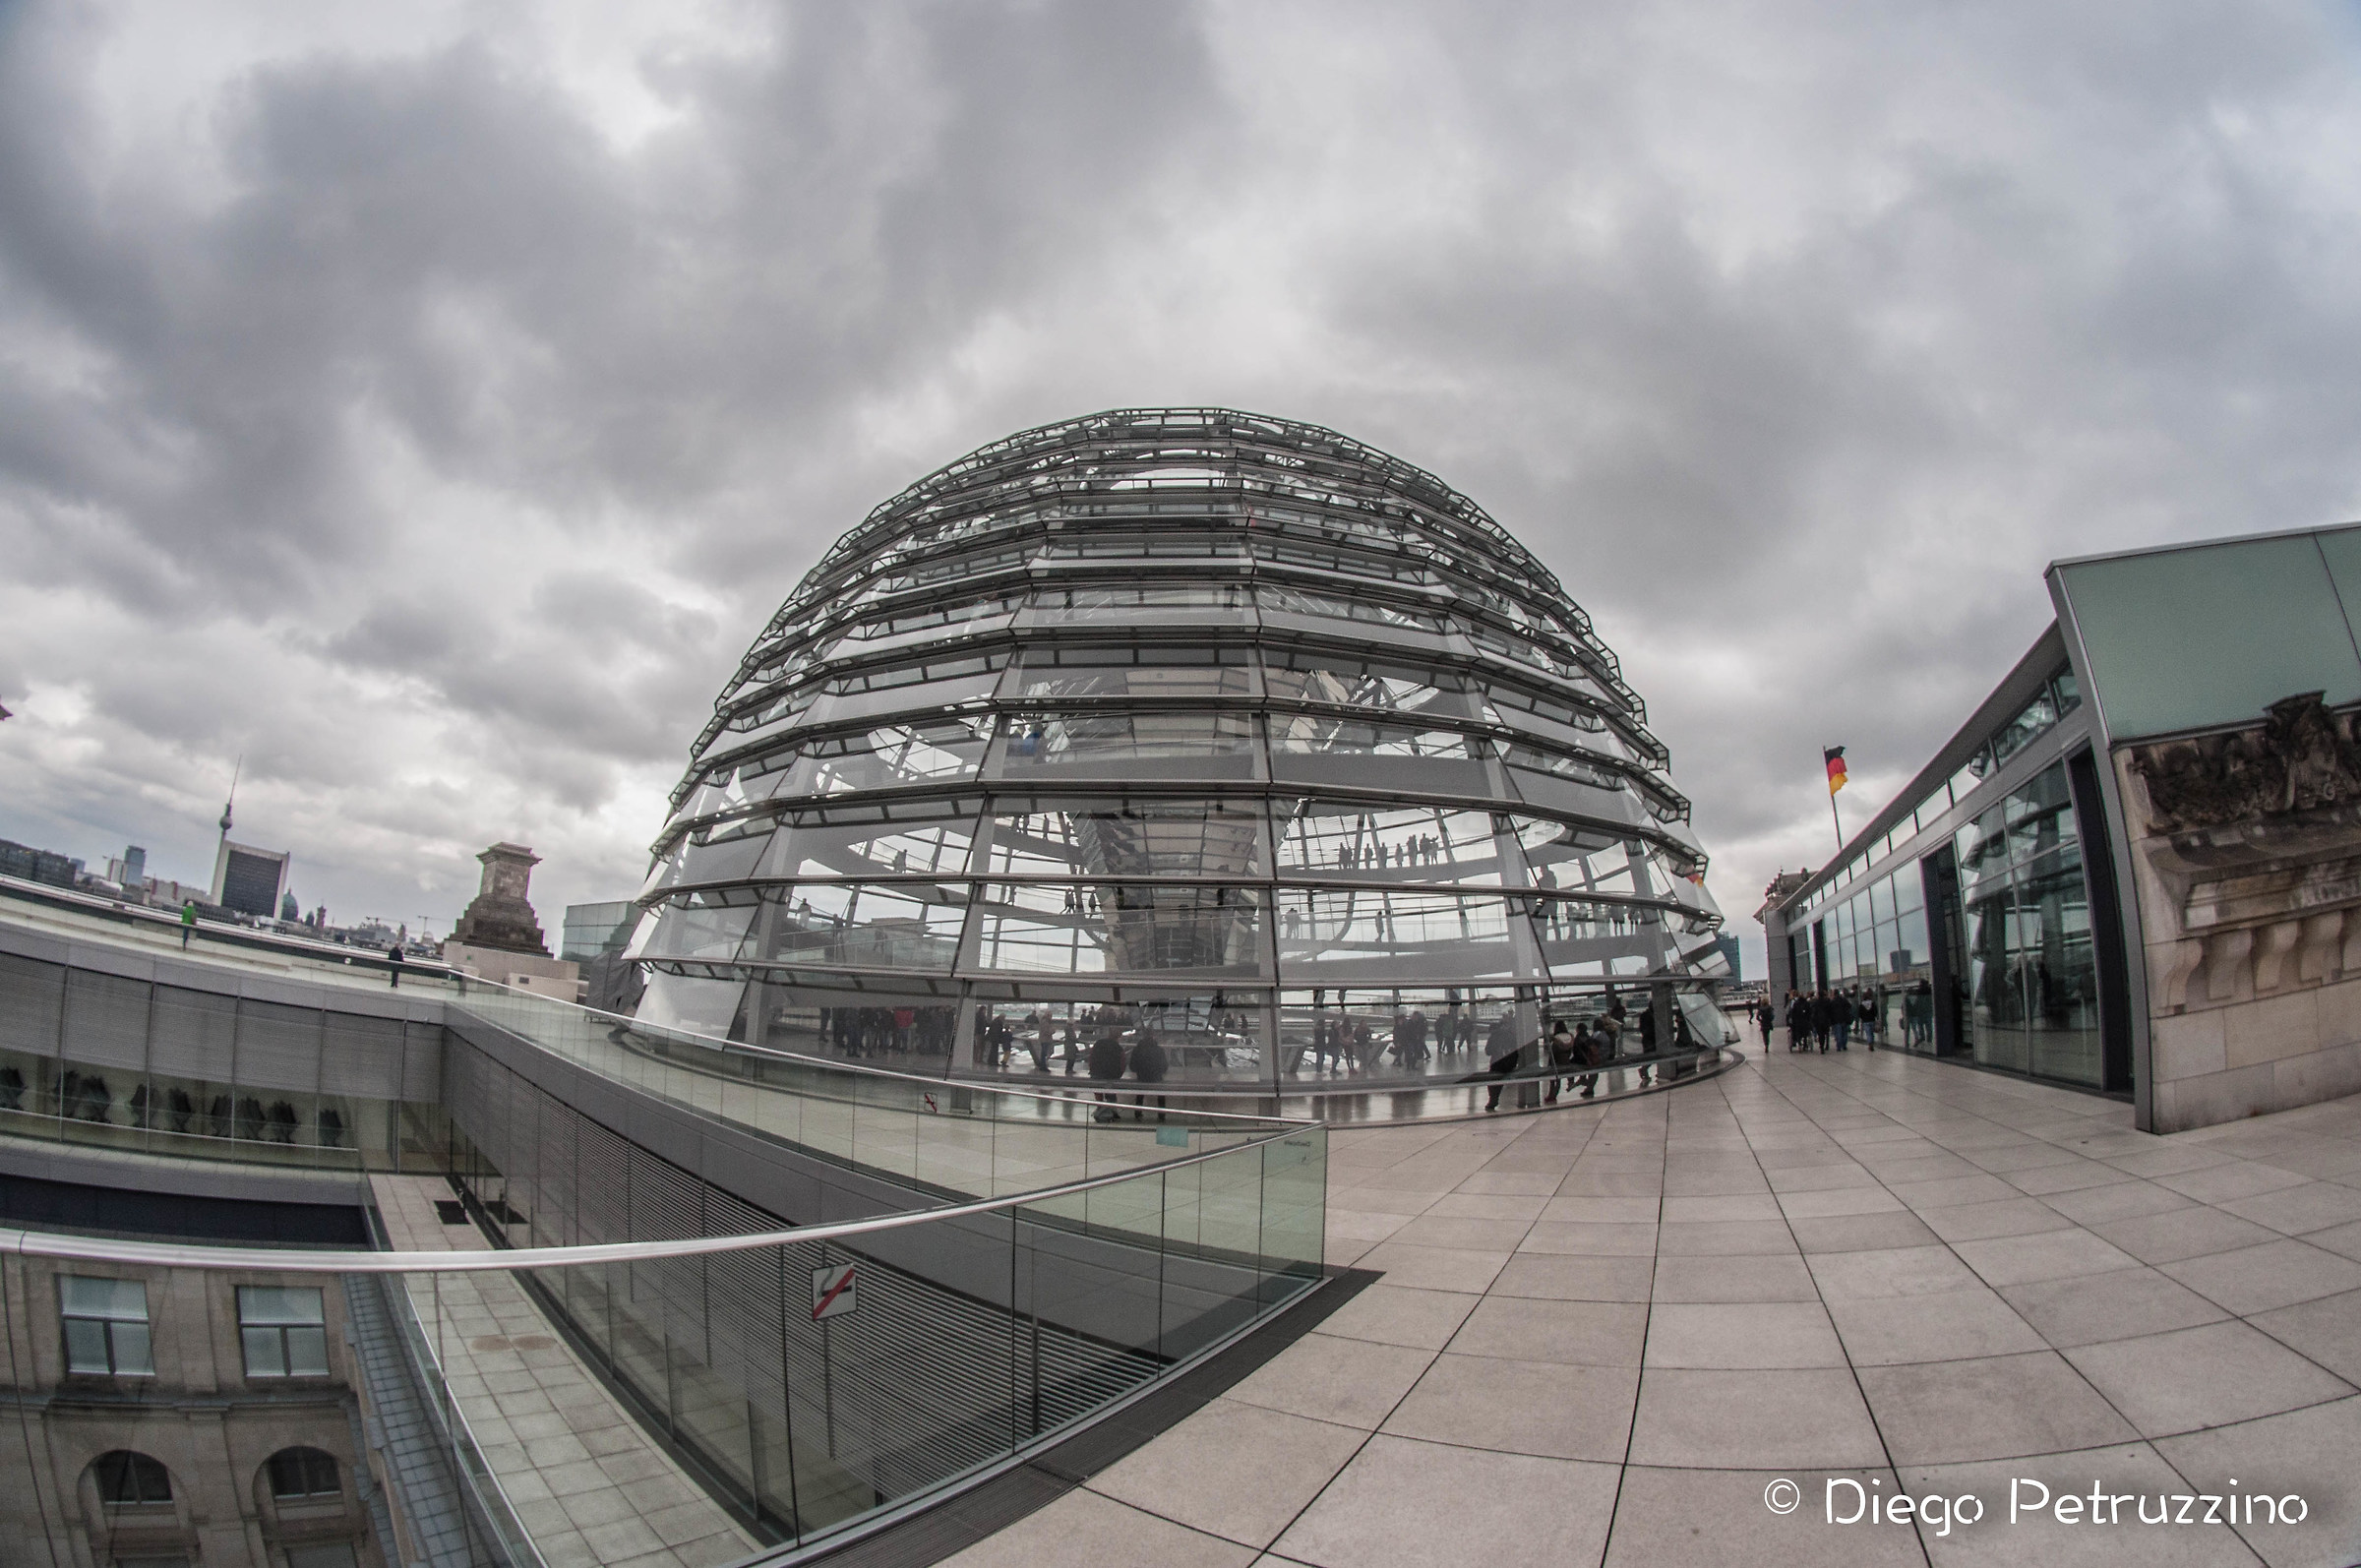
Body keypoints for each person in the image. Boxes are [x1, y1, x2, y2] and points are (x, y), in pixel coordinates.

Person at [1483, 1011, 1522, 1111]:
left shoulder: (1494, 1036)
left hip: (1497, 1063)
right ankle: (1494, 1099)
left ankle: (1493, 1099)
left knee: (1493, 1081)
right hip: (1510, 1063)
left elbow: (1488, 1051)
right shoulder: (1512, 1036)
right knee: (1500, 1080)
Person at [1087, 1029, 1127, 1119]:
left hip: (1096, 1073)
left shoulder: (1098, 1043)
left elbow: (1091, 1057)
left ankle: (1100, 1107)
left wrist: (1092, 1070)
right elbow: (1122, 1063)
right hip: (1111, 1075)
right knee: (1111, 1093)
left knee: (1098, 1090)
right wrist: (1119, 1074)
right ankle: (1112, 1110)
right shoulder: (1118, 1048)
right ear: (1118, 1037)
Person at [1130, 1027, 1169, 1120]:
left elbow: (1132, 1066)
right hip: (1156, 1077)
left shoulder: (1137, 1049)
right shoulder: (1159, 1050)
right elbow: (1164, 1067)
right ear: (1153, 1036)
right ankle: (1161, 1114)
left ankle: (1138, 1113)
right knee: (1160, 1093)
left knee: (1140, 1093)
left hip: (1142, 1077)